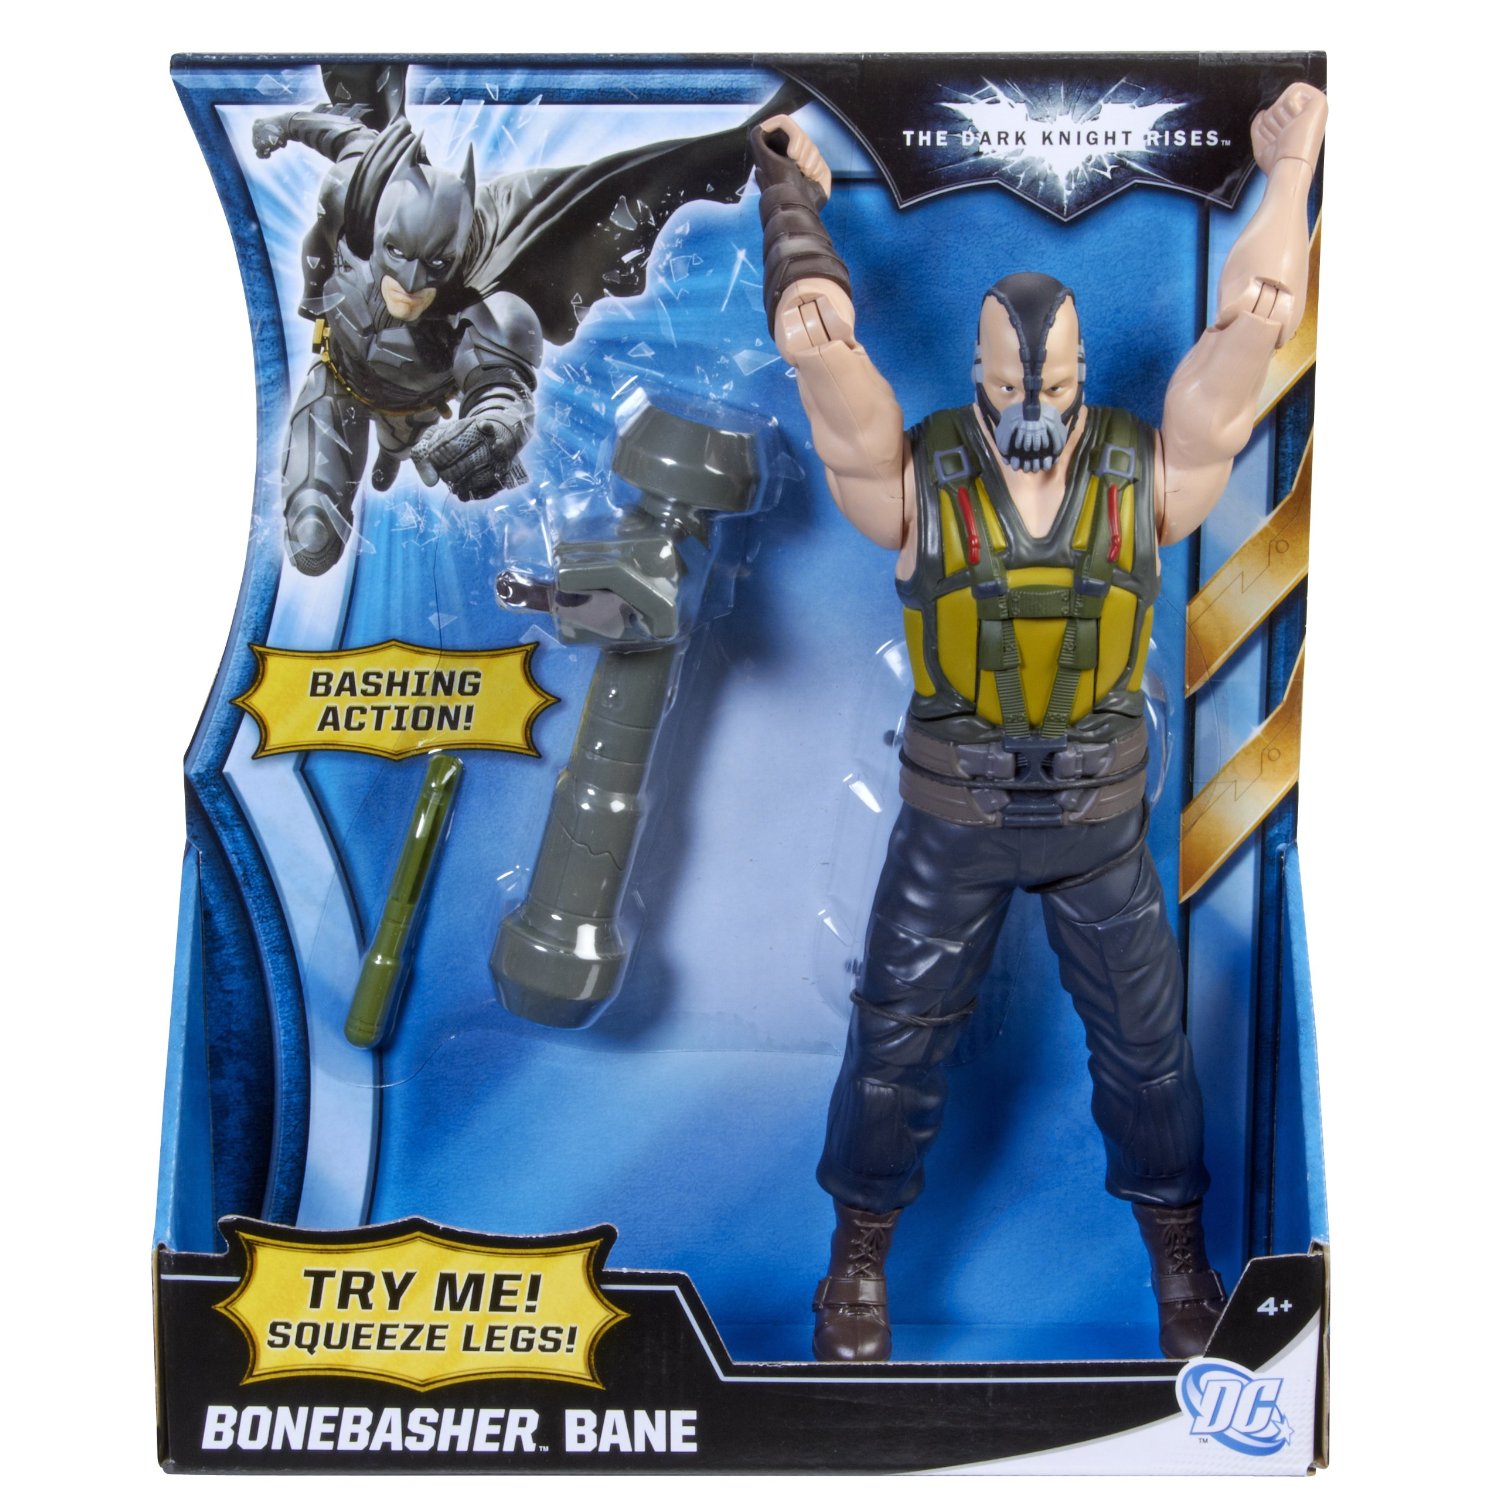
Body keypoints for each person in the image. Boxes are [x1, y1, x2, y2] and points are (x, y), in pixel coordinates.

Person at [749, 82, 1327, 1361]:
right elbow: (829, 375)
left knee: (1149, 1057)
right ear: (978, 376)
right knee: (892, 1052)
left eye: (1054, 380)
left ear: (1080, 377)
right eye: (1014, 379)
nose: (1033, 402)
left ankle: (1180, 1264)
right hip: (950, 819)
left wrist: (1291, 174)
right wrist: (794, 220)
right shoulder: (920, 478)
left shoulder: (1144, 471)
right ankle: (856, 1265)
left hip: (1099, 825)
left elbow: (1255, 325)